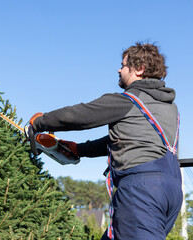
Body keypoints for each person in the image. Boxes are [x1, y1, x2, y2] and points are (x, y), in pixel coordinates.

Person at [29, 42, 182, 240]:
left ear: (140, 68)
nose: (119, 70)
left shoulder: (128, 100)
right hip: (171, 191)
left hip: (141, 190)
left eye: (123, 65)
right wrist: (80, 149)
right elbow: (123, 139)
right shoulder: (170, 108)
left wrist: (41, 121)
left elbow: (82, 114)